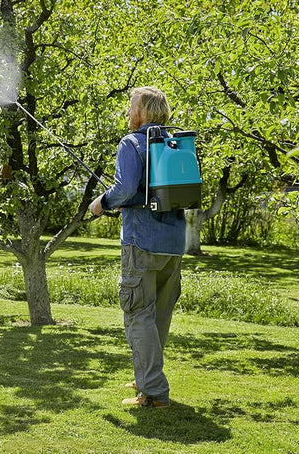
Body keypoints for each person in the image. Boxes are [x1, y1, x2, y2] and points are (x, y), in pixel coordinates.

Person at [89, 86, 185, 409]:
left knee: (138, 314)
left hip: (141, 241)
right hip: (173, 244)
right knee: (158, 315)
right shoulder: (175, 145)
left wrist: (102, 203)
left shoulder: (131, 144)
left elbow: (126, 187)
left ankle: (154, 392)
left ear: (143, 112)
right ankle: (146, 377)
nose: (128, 114)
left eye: (131, 108)